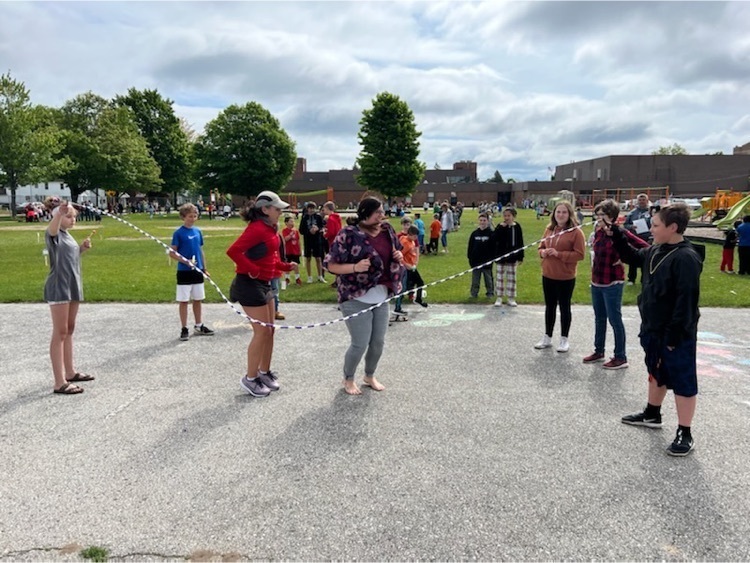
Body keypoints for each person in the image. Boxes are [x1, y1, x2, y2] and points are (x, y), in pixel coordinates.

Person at [607, 203, 704, 456]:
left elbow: (686, 301)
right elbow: (632, 257)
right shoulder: (656, 250)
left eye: (656, 225)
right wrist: (616, 234)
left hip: (675, 333)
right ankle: (652, 413)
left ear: (673, 227)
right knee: (655, 370)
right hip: (652, 328)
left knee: (682, 379)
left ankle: (685, 431)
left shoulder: (686, 258)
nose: (651, 229)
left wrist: (674, 335)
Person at [323, 196, 405, 395]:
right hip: (355, 296)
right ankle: (348, 378)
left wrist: (398, 256)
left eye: (382, 211)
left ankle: (369, 375)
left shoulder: (387, 231)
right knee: (360, 343)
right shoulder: (349, 234)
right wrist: (355, 267)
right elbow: (330, 265)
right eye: (378, 212)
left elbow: (396, 253)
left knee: (378, 342)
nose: (382, 215)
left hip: (381, 295)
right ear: (366, 213)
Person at [227, 191, 296, 397]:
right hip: (249, 284)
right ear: (265, 209)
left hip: (265, 284)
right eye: (277, 209)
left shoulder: (270, 229)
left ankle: (264, 372)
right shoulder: (257, 228)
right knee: (261, 332)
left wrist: (284, 266)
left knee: (270, 330)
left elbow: (269, 257)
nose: (280, 212)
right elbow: (233, 251)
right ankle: (250, 378)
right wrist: (252, 269)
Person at [583, 199, 648, 370]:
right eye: (597, 215)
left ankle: (620, 356)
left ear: (611, 216)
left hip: (613, 282)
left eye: (602, 215)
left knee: (615, 319)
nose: (598, 218)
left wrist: (623, 257)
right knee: (599, 318)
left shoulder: (620, 232)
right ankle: (599, 351)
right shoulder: (597, 232)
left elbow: (644, 247)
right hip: (597, 281)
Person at [44, 200, 94, 395]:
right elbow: (53, 229)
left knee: (69, 329)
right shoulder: (53, 234)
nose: (73, 219)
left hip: (72, 286)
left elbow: (68, 258)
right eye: (69, 216)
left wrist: (81, 248)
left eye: (74, 216)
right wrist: (58, 214)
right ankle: (59, 382)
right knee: (60, 331)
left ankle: (70, 372)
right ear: (59, 216)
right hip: (59, 287)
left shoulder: (67, 236)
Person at [534, 201, 585, 353]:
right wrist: (543, 252)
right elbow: (540, 246)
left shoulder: (576, 232)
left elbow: (580, 255)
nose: (560, 215)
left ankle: (564, 339)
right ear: (553, 214)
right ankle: (547, 336)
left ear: (569, 215)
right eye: (558, 212)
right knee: (550, 306)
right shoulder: (549, 229)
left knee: (564, 307)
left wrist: (559, 254)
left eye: (564, 212)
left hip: (565, 277)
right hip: (548, 274)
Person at [170, 203, 215, 341]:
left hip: (197, 270)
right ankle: (184, 328)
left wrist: (204, 268)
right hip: (184, 271)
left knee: (198, 299)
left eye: (195, 216)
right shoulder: (178, 233)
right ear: (183, 217)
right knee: (184, 300)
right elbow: (172, 253)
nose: (193, 218)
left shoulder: (198, 232)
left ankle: (198, 325)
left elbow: (200, 251)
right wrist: (186, 261)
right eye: (190, 216)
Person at [492, 206, 524, 307]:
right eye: (505, 216)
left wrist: (520, 256)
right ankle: (499, 297)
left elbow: (520, 242)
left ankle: (511, 297)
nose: (506, 218)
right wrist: (500, 228)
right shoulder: (500, 226)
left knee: (511, 277)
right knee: (500, 277)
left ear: (513, 216)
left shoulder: (517, 227)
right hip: (501, 256)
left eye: (508, 216)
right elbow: (494, 239)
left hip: (512, 257)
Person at [623, 193, 652, 284]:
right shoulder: (632, 213)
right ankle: (631, 279)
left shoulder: (651, 212)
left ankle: (644, 279)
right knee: (633, 259)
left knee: (646, 259)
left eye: (643, 200)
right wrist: (631, 227)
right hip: (634, 240)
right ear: (637, 201)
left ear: (647, 201)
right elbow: (625, 225)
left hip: (647, 239)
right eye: (640, 200)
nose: (642, 202)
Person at [467, 213, 495, 299]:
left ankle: (490, 293)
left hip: (487, 261)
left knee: (488, 279)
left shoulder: (491, 233)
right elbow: (470, 247)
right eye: (481, 220)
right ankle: (474, 293)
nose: (482, 222)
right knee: (475, 280)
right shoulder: (474, 234)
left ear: (488, 221)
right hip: (476, 261)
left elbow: (494, 247)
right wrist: (471, 259)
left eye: (484, 220)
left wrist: (491, 259)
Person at [400, 225, 428, 307]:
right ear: (410, 234)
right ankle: (398, 306)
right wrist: (406, 265)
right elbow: (399, 256)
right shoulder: (405, 243)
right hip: (408, 268)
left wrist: (415, 263)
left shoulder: (411, 241)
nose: (416, 238)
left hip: (412, 266)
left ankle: (417, 298)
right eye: (415, 236)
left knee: (417, 283)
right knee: (408, 286)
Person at [299, 202, 326, 283]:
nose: (311, 210)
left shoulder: (318, 217)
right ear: (307, 209)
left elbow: (322, 227)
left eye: (313, 208)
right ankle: (309, 277)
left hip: (317, 240)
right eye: (310, 208)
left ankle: (320, 276)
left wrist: (317, 229)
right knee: (308, 258)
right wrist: (309, 231)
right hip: (307, 240)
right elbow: (301, 230)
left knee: (318, 258)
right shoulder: (304, 217)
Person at [281, 215, 302, 287]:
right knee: (287, 265)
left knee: (295, 265)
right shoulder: (284, 230)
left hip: (295, 251)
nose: (292, 223)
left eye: (293, 221)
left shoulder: (296, 231)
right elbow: (285, 239)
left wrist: (300, 249)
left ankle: (297, 278)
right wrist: (290, 234)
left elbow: (298, 240)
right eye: (291, 221)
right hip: (288, 251)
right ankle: (287, 279)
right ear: (286, 223)